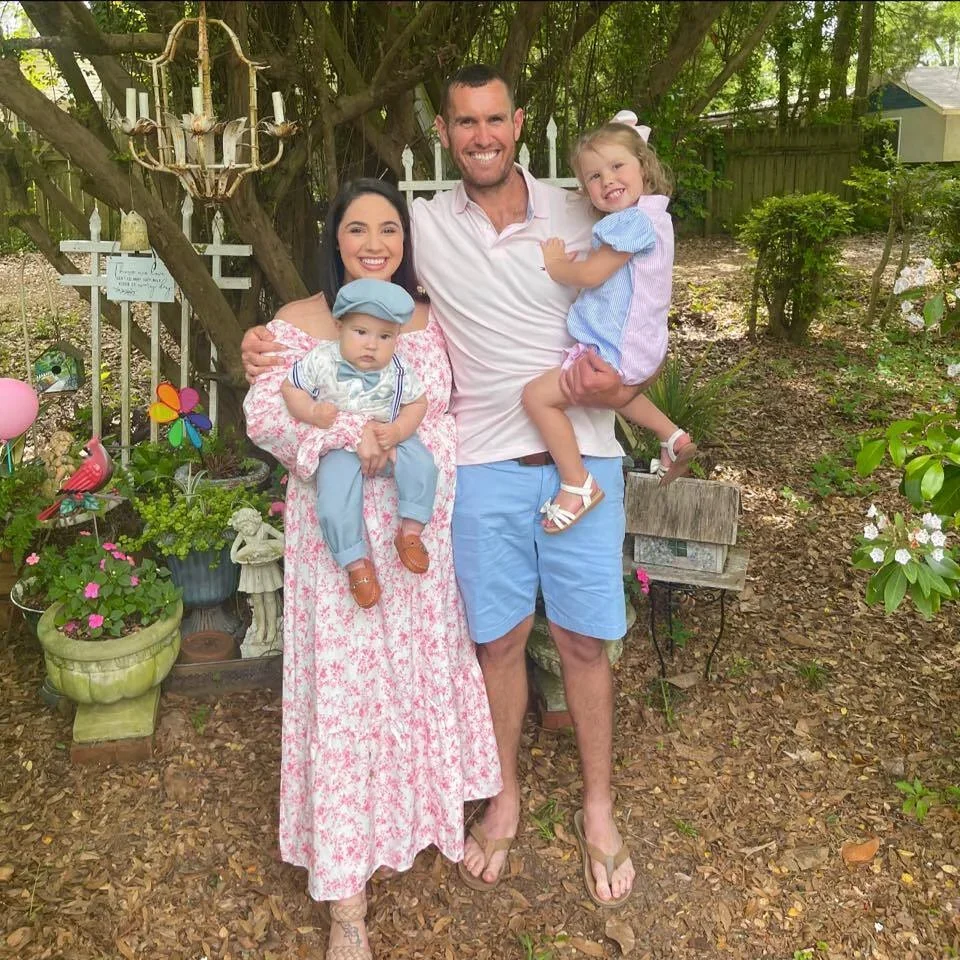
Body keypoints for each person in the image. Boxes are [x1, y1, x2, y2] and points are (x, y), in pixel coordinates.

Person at [243, 65, 639, 907]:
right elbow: (339, 296)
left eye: (495, 118)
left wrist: (641, 375)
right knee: (497, 642)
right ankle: (503, 799)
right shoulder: (425, 225)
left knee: (583, 643)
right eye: (465, 122)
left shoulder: (582, 206)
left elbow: (646, 295)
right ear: (444, 132)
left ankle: (599, 809)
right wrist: (266, 336)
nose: (482, 135)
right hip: (489, 465)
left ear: (519, 121)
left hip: (586, 456)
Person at [242, 178, 502, 959]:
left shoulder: (427, 324)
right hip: (339, 544)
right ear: (335, 238)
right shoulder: (296, 324)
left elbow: (446, 417)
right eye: (358, 228)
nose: (375, 241)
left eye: (389, 228)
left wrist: (399, 448)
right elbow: (265, 415)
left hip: (413, 541)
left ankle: (416, 820)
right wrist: (350, 437)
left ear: (405, 242)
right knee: (349, 700)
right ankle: (346, 896)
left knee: (409, 685)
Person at [524, 110, 696, 534]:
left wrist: (558, 265)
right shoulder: (655, 218)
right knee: (617, 395)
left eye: (617, 166)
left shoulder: (633, 222)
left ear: (644, 166)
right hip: (636, 345)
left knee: (536, 398)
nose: (608, 181)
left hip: (616, 346)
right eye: (594, 177)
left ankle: (576, 482)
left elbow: (592, 274)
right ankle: (673, 436)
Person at [280, 277, 438, 607]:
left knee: (423, 464)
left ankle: (410, 531)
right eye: (361, 332)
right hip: (341, 443)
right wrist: (311, 410)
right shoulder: (322, 360)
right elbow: (290, 388)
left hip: (387, 432)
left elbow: (418, 403)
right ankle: (355, 562)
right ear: (339, 326)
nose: (371, 345)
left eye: (384, 336)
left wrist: (398, 432)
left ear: (397, 337)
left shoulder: (397, 369)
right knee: (334, 497)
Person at [229, 506, 285, 657]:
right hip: (252, 570)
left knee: (270, 598)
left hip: (267, 568)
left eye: (247, 526)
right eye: (243, 528)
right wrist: (236, 556)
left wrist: (271, 547)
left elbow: (282, 538)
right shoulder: (242, 534)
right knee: (257, 600)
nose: (246, 530)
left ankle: (272, 629)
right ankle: (261, 629)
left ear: (254, 521)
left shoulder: (264, 527)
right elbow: (234, 552)